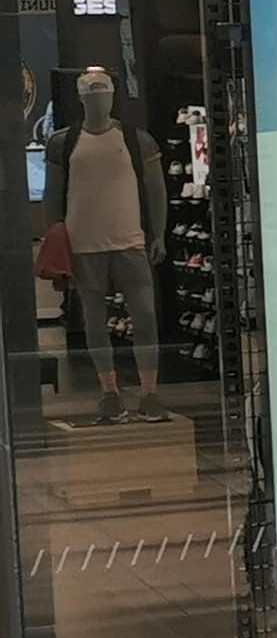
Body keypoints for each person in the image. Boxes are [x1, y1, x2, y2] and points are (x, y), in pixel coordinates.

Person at [46, 66, 168, 423]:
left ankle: (149, 392)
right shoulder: (62, 142)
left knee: (145, 315)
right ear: (82, 98)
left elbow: (156, 190)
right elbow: (54, 195)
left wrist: (157, 233)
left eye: (103, 92)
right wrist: (56, 238)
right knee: (94, 319)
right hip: (83, 243)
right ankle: (109, 391)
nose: (98, 98)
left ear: (112, 95)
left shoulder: (136, 139)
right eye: (91, 93)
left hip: (129, 239)